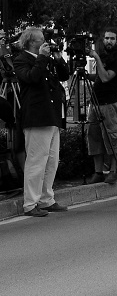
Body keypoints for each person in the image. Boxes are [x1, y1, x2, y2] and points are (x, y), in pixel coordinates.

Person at [13, 26, 70, 217]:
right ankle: (30, 203)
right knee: (37, 160)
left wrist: (59, 58)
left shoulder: (46, 58)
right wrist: (42, 58)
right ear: (30, 41)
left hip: (51, 114)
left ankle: (46, 198)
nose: (44, 42)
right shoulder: (22, 59)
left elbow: (64, 75)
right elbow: (31, 78)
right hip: (36, 116)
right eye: (40, 39)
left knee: (52, 160)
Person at [86, 27, 117, 185]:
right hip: (95, 102)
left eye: (113, 38)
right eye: (107, 38)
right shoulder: (103, 55)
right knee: (94, 137)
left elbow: (105, 77)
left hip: (110, 103)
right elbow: (98, 76)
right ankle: (98, 171)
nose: (109, 41)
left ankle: (113, 171)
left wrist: (95, 57)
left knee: (112, 137)